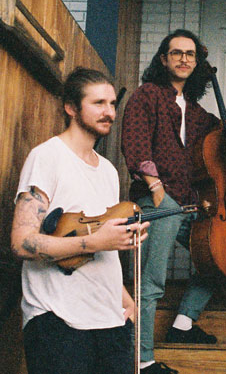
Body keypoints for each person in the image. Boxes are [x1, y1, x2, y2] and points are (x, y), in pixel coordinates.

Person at [121, 29, 226, 374]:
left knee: (223, 258)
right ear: (163, 59)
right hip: (158, 199)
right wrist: (157, 190)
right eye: (176, 53)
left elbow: (221, 131)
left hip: (190, 202)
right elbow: (135, 142)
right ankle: (142, 360)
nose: (184, 59)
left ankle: (183, 323)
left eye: (190, 54)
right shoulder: (147, 94)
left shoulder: (194, 110)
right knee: (151, 282)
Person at [11, 67, 149, 374]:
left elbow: (104, 249)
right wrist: (93, 242)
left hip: (109, 318)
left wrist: (126, 300)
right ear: (71, 108)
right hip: (58, 321)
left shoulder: (109, 171)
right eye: (98, 103)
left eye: (113, 104)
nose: (110, 112)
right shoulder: (47, 157)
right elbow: (21, 242)